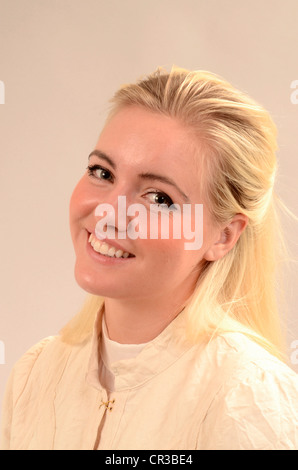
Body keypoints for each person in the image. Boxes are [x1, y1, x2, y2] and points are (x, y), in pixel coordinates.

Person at [1, 66, 298, 450]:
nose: (109, 212)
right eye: (102, 172)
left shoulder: (247, 397)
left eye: (159, 198)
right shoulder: (35, 374)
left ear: (224, 236)